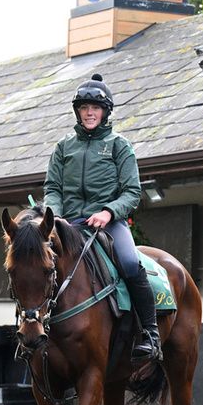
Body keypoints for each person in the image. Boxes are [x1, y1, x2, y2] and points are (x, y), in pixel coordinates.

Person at [43, 73, 161, 363]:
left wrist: (108, 211)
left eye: (95, 108)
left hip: (109, 223)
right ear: (78, 112)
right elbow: (52, 188)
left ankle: (150, 333)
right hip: (67, 223)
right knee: (34, 263)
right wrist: (56, 215)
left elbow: (132, 192)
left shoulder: (120, 145)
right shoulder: (63, 147)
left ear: (105, 112)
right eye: (84, 108)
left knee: (131, 264)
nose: (90, 113)